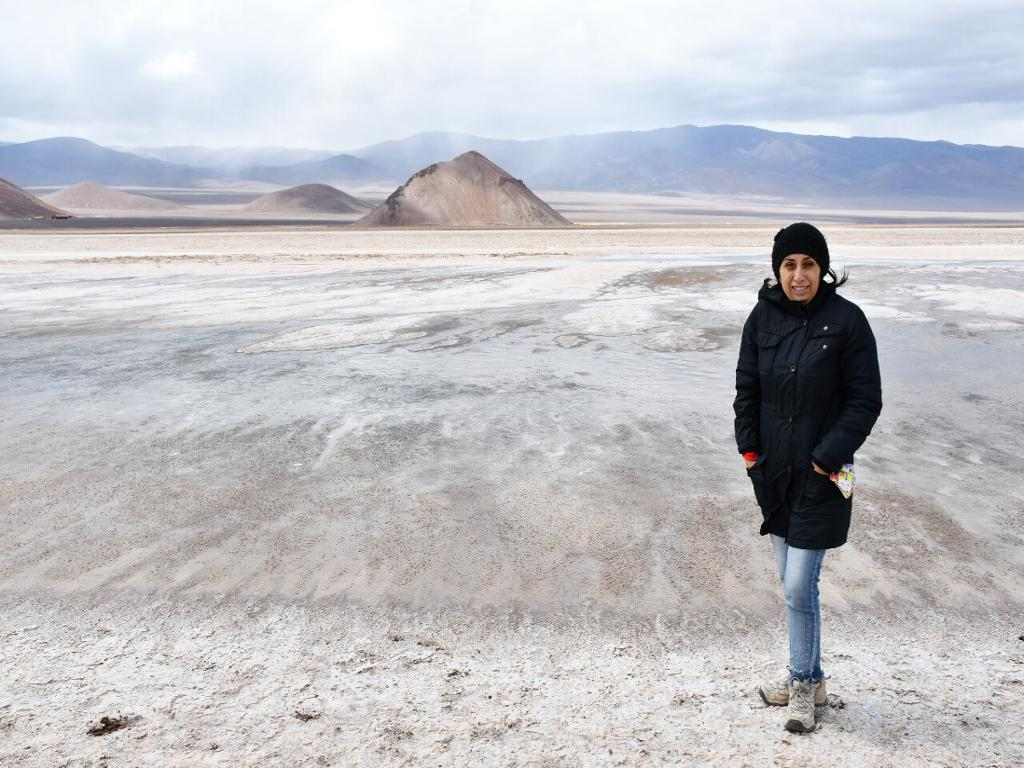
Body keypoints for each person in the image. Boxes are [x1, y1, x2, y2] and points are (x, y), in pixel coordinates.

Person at [733, 222, 882, 733]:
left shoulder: (848, 321)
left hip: (823, 474)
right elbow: (746, 388)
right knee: (792, 584)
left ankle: (801, 684)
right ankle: (812, 678)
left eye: (809, 265)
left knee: (799, 585)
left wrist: (825, 457)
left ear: (824, 269)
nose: (799, 275)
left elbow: (865, 400)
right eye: (790, 265)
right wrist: (750, 451)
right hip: (773, 471)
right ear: (777, 270)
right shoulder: (762, 317)